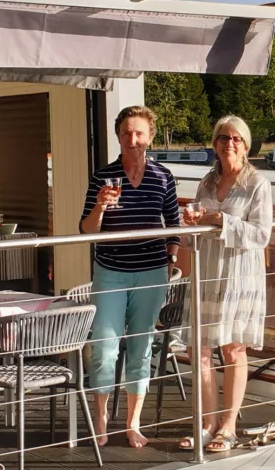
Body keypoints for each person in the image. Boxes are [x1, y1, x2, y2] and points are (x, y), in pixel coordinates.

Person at [79, 105, 181, 448]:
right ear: (118, 136)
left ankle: (133, 422)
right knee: (104, 349)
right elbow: (86, 230)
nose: (132, 139)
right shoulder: (102, 177)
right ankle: (101, 418)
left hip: (151, 272)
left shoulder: (163, 177)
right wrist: (99, 208)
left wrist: (171, 258)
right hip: (111, 272)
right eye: (126, 133)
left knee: (141, 347)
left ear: (150, 137)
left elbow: (173, 224)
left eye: (139, 133)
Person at [179, 115, 273, 453]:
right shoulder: (206, 182)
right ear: (215, 144)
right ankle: (208, 424)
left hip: (239, 275)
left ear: (246, 146)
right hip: (207, 272)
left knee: (233, 349)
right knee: (199, 350)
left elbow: (262, 235)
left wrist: (221, 220)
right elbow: (195, 228)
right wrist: (191, 222)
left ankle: (229, 426)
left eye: (235, 139)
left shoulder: (257, 184)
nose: (228, 144)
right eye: (222, 138)